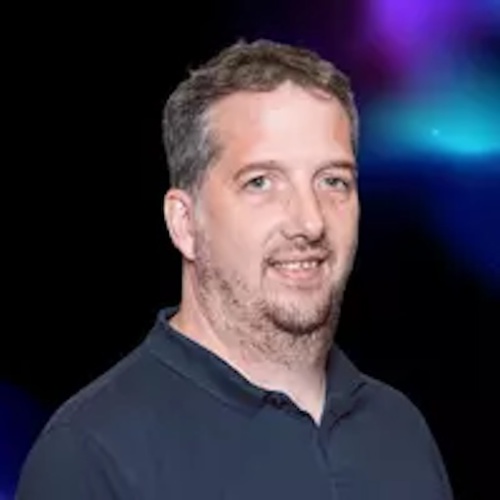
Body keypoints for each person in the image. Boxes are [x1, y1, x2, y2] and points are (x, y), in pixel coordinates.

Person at [16, 39, 454, 499]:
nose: (310, 221)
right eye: (260, 182)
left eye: (333, 181)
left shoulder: (398, 431)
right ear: (185, 223)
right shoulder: (90, 454)